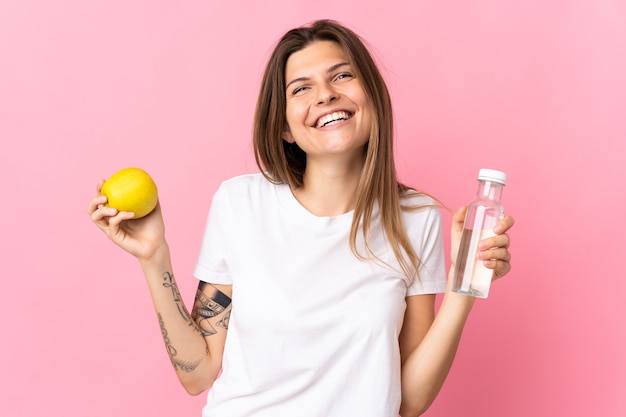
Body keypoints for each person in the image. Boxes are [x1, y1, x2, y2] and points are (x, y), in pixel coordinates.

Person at [88, 19, 514, 417]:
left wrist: (464, 286)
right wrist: (153, 257)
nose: (325, 94)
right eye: (301, 89)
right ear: (286, 127)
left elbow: (409, 401)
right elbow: (197, 373)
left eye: (342, 75)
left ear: (373, 96)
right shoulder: (240, 204)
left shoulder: (415, 217)